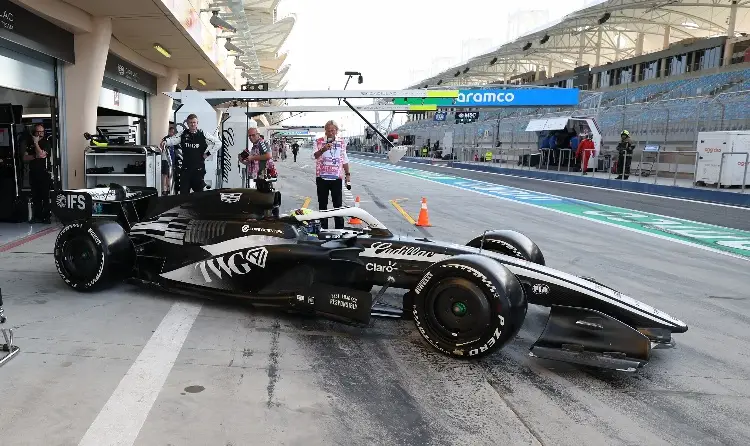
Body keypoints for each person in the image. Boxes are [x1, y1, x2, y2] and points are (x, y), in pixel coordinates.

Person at [163, 114, 221, 195]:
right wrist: (165, 142)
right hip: (185, 170)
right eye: (190, 122)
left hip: (198, 170)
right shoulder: (183, 134)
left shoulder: (203, 134)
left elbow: (218, 143)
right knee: (183, 195)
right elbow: (172, 140)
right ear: (187, 123)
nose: (193, 124)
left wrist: (208, 153)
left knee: (199, 196)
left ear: (197, 123)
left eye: (194, 122)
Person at [313, 119, 351, 230]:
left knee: (338, 205)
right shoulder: (318, 141)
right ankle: (323, 228)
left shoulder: (341, 142)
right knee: (322, 205)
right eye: (328, 130)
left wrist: (348, 174)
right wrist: (323, 149)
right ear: (325, 131)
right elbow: (313, 156)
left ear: (336, 131)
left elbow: (344, 159)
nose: (330, 133)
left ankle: (339, 229)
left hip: (336, 178)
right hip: (322, 178)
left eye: (333, 130)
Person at [23, 124, 51, 223]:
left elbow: (42, 155)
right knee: (35, 196)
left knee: (45, 195)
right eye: (38, 132)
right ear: (34, 132)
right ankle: (37, 216)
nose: (40, 134)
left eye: (41, 132)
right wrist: (35, 156)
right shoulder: (29, 143)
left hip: (44, 172)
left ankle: (46, 217)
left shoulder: (46, 143)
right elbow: (25, 158)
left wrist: (36, 143)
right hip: (33, 172)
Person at [159, 126, 177, 195]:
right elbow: (161, 145)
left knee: (170, 175)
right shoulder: (165, 139)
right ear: (169, 132)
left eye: (173, 132)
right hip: (165, 159)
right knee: (165, 174)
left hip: (172, 159)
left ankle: (169, 188)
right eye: (171, 132)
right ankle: (164, 189)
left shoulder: (175, 140)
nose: (172, 133)